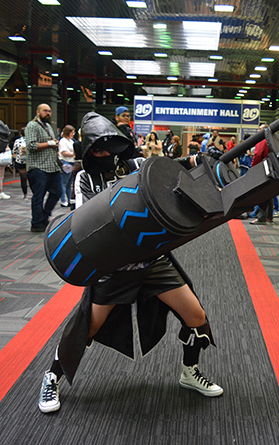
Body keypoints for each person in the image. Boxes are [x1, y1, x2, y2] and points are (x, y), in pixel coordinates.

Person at [37, 112, 223, 414]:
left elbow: (174, 170)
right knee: (87, 328)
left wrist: (200, 158)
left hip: (152, 261)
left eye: (109, 146)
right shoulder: (84, 178)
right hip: (114, 267)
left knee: (196, 315)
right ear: (89, 148)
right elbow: (84, 221)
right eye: (98, 147)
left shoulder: (136, 166)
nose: (105, 153)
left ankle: (190, 371)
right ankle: (52, 376)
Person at [25, 103, 62, 233]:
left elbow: (50, 142)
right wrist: (49, 143)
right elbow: (31, 145)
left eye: (49, 111)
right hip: (38, 167)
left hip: (52, 166)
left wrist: (54, 144)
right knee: (38, 196)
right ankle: (36, 223)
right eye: (45, 111)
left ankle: (44, 216)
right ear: (38, 112)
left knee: (58, 192)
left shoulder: (48, 126)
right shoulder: (32, 126)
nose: (48, 113)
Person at [250, 124, 274, 225]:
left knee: (261, 192)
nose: (257, 131)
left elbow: (258, 155)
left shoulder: (261, 141)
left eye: (259, 129)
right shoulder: (270, 140)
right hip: (270, 168)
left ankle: (261, 217)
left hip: (261, 169)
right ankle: (269, 216)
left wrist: (253, 167)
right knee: (269, 192)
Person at [58, 125, 76, 207]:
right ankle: (63, 200)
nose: (73, 134)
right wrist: (73, 154)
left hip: (71, 162)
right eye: (72, 132)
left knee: (69, 183)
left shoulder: (70, 141)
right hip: (66, 162)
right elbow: (64, 153)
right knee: (64, 183)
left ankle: (69, 200)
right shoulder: (63, 141)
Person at [12, 128, 28, 199]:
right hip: (30, 161)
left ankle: (25, 193)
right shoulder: (31, 140)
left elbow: (14, 151)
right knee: (31, 177)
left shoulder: (17, 141)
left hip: (20, 161)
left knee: (23, 177)